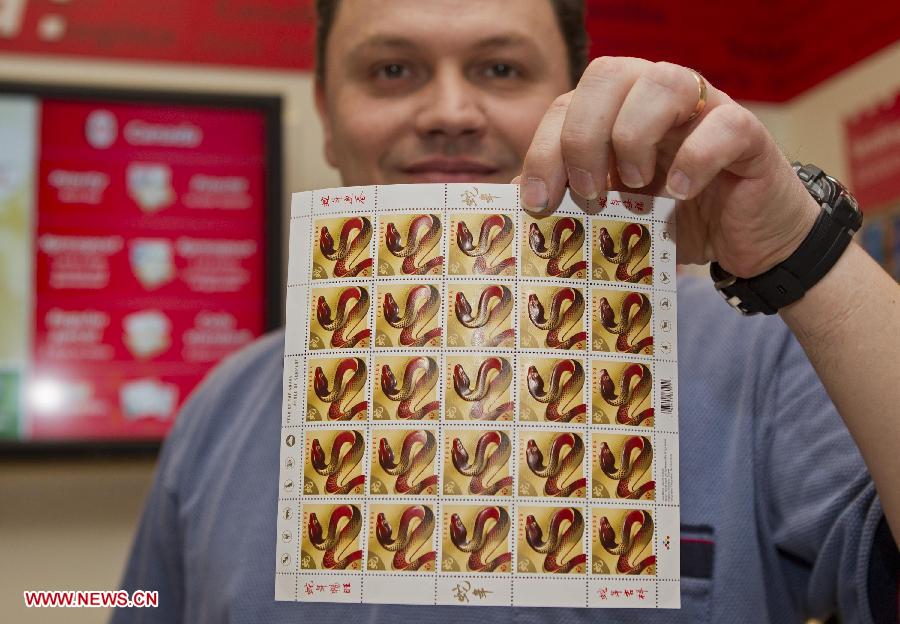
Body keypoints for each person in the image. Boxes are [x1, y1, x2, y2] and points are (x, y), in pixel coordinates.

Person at [113, 1, 899, 622]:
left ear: (575, 95)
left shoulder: (757, 357)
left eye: (499, 68)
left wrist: (801, 254)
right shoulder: (222, 407)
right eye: (392, 70)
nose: (450, 110)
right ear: (326, 112)